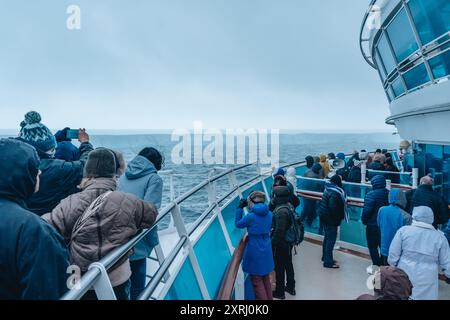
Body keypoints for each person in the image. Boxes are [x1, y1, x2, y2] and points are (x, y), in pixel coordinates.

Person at [42, 148, 158, 300]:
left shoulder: (69, 202)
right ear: (114, 172)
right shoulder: (129, 201)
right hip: (116, 276)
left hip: (77, 276)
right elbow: (151, 215)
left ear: (87, 172)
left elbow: (45, 229)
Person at [0, 138, 69, 300]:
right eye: (34, 167)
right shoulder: (34, 231)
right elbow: (48, 290)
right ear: (20, 173)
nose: (39, 172)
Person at [18, 111, 94, 216]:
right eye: (53, 148)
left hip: (21, 216)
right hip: (48, 219)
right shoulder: (57, 168)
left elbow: (38, 147)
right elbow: (87, 164)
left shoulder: (14, 162)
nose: (54, 151)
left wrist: (57, 137)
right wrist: (85, 143)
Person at [118, 147, 164, 300]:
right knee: (138, 289)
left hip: (119, 236)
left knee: (123, 285)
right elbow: (150, 211)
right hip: (137, 238)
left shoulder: (124, 175)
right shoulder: (154, 179)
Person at [388, 206, 450, 300]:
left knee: (404, 295)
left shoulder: (403, 231)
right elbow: (447, 262)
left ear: (415, 216)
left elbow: (393, 253)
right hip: (428, 275)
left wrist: (394, 266)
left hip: (404, 271)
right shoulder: (440, 237)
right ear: (431, 218)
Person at [235, 192, 274, 300]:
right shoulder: (270, 213)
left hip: (255, 249)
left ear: (251, 202)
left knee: (256, 280)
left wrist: (239, 208)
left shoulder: (251, 216)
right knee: (265, 277)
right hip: (266, 248)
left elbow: (238, 224)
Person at [270, 185, 296, 299]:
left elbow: (279, 231)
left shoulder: (281, 212)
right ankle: (291, 287)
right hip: (288, 243)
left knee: (279, 268)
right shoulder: (289, 206)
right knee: (288, 265)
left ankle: (280, 293)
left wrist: (271, 243)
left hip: (282, 244)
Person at [377, 189, 412, 266]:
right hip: (399, 252)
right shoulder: (406, 216)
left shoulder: (382, 210)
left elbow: (379, 225)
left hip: (384, 248)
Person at [318, 174, 346, 269]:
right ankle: (328, 262)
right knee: (331, 240)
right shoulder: (335, 192)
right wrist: (337, 219)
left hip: (324, 217)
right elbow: (333, 208)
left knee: (327, 238)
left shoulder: (328, 188)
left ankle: (325, 257)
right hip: (330, 219)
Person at [362, 175, 389, 267]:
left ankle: (376, 265)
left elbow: (367, 210)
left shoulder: (371, 194)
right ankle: (384, 264)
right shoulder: (389, 194)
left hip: (372, 225)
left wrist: (364, 221)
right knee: (384, 245)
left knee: (372, 246)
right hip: (385, 225)